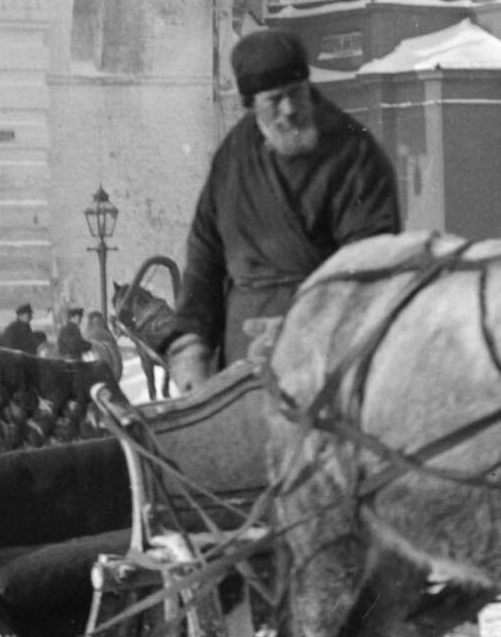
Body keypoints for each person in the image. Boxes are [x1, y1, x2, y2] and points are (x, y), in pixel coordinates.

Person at [167, 27, 399, 389]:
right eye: (275, 99)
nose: (290, 110)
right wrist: (190, 344)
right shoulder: (233, 157)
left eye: (297, 94)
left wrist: (302, 329)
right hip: (241, 363)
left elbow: (371, 264)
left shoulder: (354, 154)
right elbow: (205, 256)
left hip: (328, 360)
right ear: (251, 105)